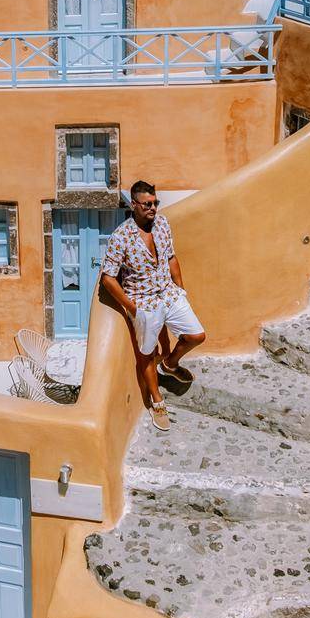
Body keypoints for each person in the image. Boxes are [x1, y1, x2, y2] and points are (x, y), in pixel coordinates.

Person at [99, 179, 205, 432]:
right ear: (134, 204)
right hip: (143, 302)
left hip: (169, 294)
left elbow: (171, 257)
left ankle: (169, 364)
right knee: (146, 354)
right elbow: (108, 278)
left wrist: (180, 289)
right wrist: (132, 308)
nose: (153, 208)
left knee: (196, 335)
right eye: (147, 204)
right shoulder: (121, 237)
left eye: (155, 203)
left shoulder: (163, 224)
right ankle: (157, 402)